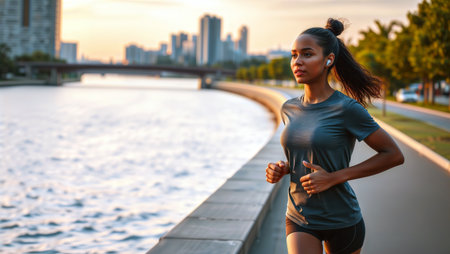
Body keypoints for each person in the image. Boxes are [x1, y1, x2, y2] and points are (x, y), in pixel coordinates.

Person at [265, 18, 404, 254]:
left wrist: (333, 177)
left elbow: (393, 155)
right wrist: (285, 168)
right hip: (299, 216)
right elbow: (308, 153)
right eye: (294, 55)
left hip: (342, 221)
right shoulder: (288, 108)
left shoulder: (347, 108)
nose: (297, 61)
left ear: (328, 59)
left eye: (307, 54)